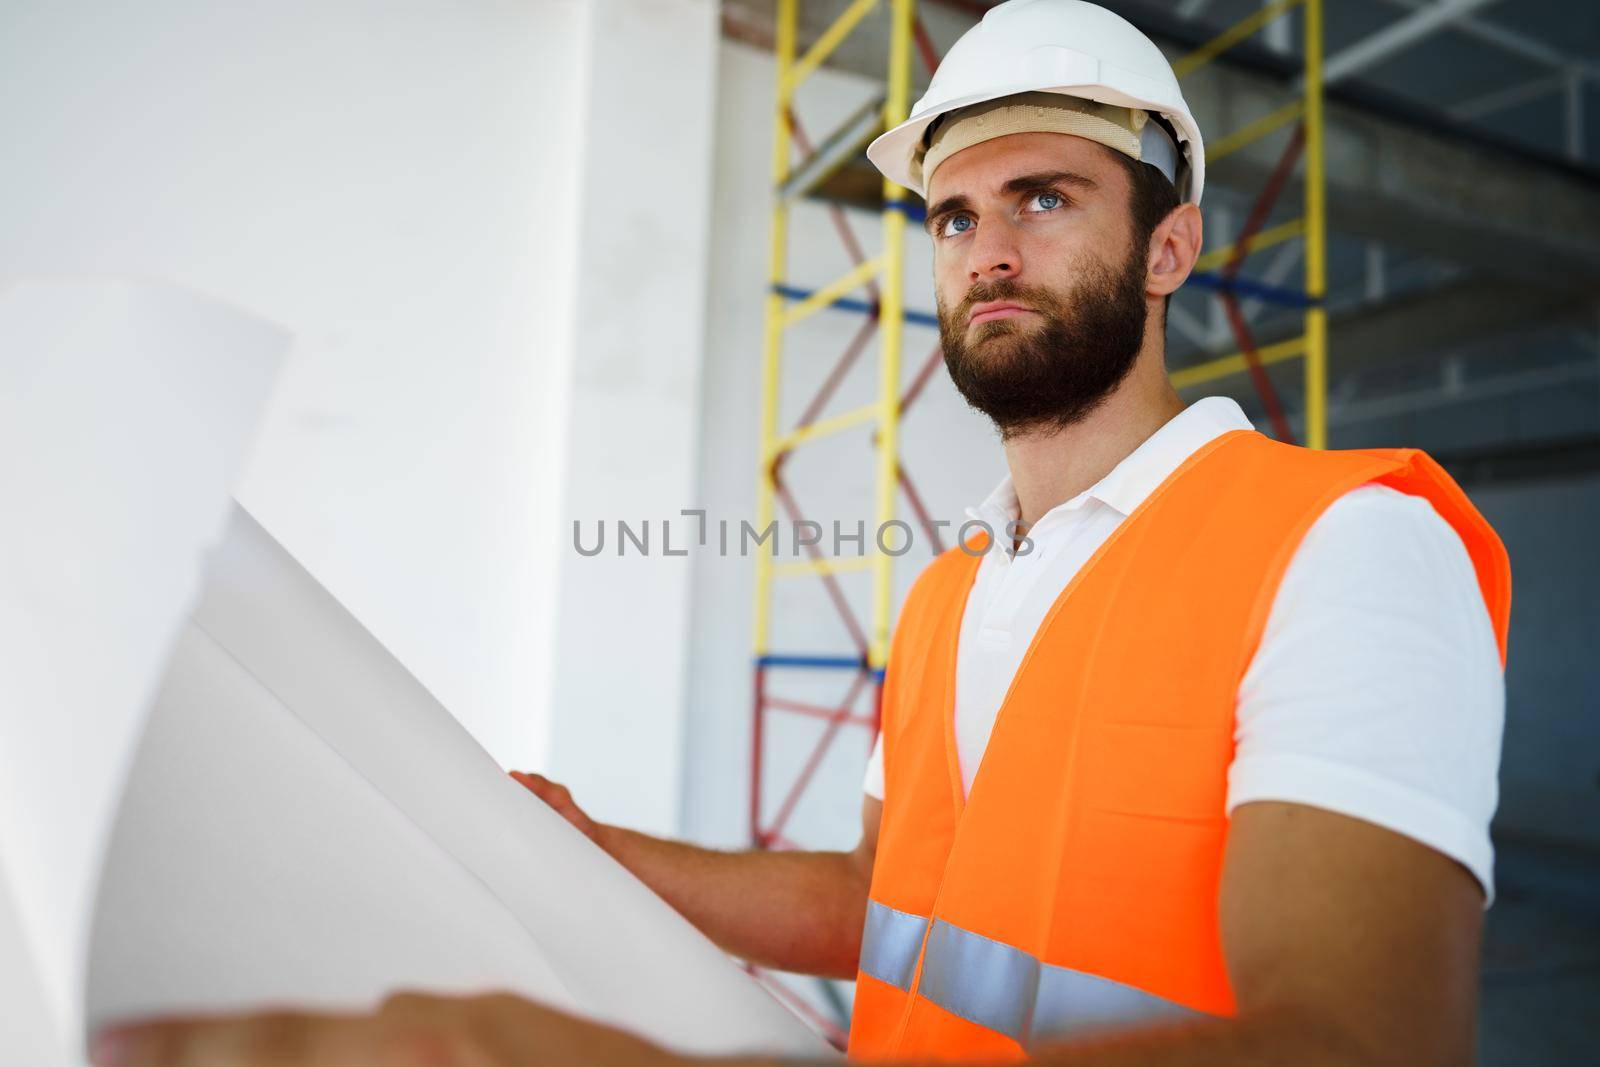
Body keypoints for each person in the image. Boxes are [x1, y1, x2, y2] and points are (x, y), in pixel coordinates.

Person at [90, 2, 1510, 1065]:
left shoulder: (1343, 546)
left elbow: (1356, 1043)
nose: (988, 254)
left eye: (1045, 198)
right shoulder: (953, 592)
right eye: (953, 219)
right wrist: (594, 851)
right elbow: (870, 905)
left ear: (1170, 249)